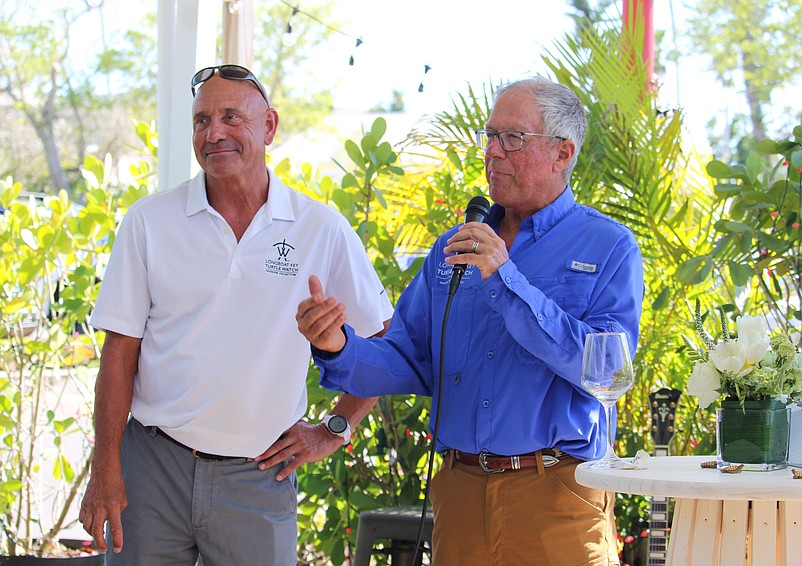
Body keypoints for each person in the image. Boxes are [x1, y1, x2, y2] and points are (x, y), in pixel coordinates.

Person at [297, 77, 644, 565]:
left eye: (513, 138)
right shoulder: (452, 247)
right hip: (460, 495)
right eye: (490, 135)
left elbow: (605, 369)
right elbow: (408, 356)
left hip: (557, 496)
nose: (494, 152)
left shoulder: (608, 247)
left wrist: (504, 279)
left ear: (563, 153)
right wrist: (337, 345)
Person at [78, 65, 393, 566]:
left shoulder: (321, 229)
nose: (214, 133)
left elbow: (385, 343)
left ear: (269, 126)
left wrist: (334, 429)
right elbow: (119, 354)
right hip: (153, 468)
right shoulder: (149, 221)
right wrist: (106, 467)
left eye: (230, 117)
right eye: (202, 120)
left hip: (259, 475)